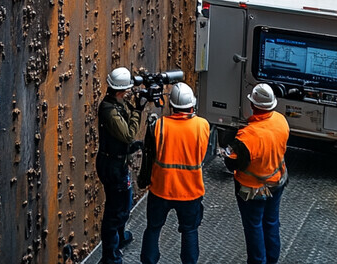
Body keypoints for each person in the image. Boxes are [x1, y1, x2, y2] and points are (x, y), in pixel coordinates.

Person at [138, 82, 209, 264]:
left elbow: (150, 155)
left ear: (172, 106)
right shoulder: (203, 125)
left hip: (161, 189)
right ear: (192, 105)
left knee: (153, 229)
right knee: (190, 231)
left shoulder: (159, 125)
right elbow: (201, 154)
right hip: (190, 191)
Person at [224, 83, 290, 264]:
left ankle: (258, 261)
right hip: (276, 183)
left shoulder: (248, 136)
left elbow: (231, 163)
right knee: (271, 222)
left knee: (254, 226)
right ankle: (272, 259)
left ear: (253, 105)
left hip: (252, 191)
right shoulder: (281, 121)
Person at [97, 66, 144, 264]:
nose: (128, 94)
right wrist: (138, 111)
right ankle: (111, 256)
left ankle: (119, 238)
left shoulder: (116, 103)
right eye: (126, 91)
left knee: (125, 202)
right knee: (115, 211)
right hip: (113, 167)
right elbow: (128, 135)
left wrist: (134, 107)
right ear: (119, 91)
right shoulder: (110, 111)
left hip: (117, 163)